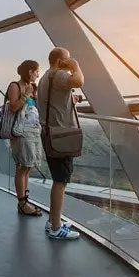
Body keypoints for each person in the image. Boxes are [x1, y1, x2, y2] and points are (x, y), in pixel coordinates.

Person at [38, 47, 84, 241]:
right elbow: (79, 81)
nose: (70, 61)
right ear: (59, 60)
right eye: (67, 58)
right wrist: (76, 65)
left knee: (59, 178)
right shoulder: (59, 75)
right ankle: (56, 227)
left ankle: (53, 221)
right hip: (60, 134)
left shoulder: (46, 77)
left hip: (50, 132)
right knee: (60, 181)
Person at [5, 61, 44, 217]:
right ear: (30, 72)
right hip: (21, 132)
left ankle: (25, 200)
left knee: (28, 166)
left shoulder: (31, 88)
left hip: (33, 131)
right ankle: (22, 203)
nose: (37, 74)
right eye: (36, 71)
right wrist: (26, 94)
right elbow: (13, 107)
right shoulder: (15, 86)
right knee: (22, 167)